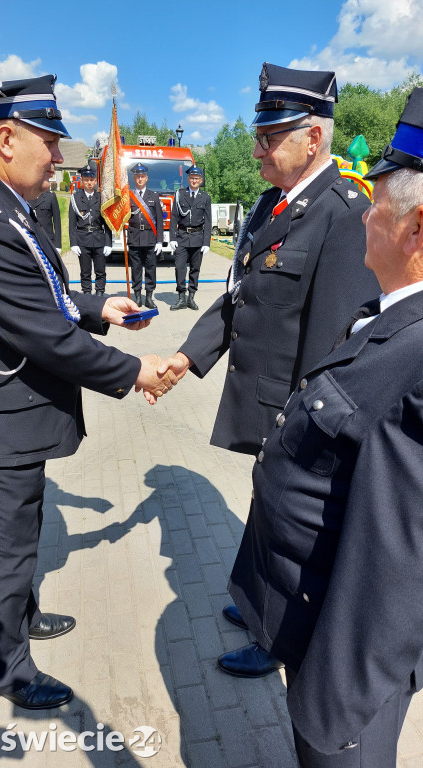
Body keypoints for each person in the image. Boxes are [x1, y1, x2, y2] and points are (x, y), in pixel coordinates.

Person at [216, 86, 423, 767]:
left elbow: (399, 559)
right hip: (312, 623)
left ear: (416, 229)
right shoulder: (389, 318)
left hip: (346, 680)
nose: (366, 216)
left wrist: (340, 706)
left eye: (377, 203)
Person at [155, 63, 379, 673]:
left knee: (290, 525)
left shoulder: (343, 212)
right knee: (264, 509)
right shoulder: (270, 204)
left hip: (299, 412)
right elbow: (239, 297)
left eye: (268, 137)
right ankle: (256, 602)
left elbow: (333, 343)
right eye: (258, 135)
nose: (256, 149)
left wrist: (303, 429)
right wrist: (185, 357)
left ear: (313, 138)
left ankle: (278, 636)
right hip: (266, 400)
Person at [0, 74, 177, 710]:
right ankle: (7, 665)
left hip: (16, 416)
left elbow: (46, 293)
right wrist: (133, 371)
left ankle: (18, 618)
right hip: (5, 419)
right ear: (6, 139)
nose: (57, 159)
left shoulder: (9, 205)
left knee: (20, 531)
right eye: (49, 143)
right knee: (7, 544)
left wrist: (100, 308)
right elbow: (45, 335)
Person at [169, 165, 212, 310]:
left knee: (195, 269)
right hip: (181, 237)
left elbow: (208, 221)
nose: (194, 181)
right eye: (192, 178)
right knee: (179, 268)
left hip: (198, 238)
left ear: (201, 180)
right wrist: (172, 238)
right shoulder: (180, 195)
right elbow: (174, 218)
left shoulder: (205, 197)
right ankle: (181, 297)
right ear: (188, 179)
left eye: (197, 178)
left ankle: (191, 298)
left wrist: (206, 242)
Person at [69, 165, 112, 295]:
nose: (89, 182)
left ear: (95, 181)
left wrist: (108, 243)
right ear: (82, 180)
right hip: (83, 239)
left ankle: (100, 293)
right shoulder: (76, 198)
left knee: (100, 271)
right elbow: (72, 223)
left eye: (91, 180)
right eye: (86, 180)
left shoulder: (101, 197)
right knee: (85, 271)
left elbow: (107, 223)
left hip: (99, 238)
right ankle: (87, 294)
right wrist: (73, 243)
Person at [127, 163, 163, 308]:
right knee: (135, 269)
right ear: (134, 178)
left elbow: (159, 220)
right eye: (137, 176)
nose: (140, 179)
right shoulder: (128, 196)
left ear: (146, 178)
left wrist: (160, 241)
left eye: (142, 176)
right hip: (134, 237)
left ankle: (149, 297)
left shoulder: (154, 196)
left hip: (150, 238)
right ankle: (137, 297)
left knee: (150, 268)